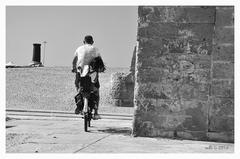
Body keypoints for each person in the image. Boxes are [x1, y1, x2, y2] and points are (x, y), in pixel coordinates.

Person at [72, 35, 104, 120]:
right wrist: (100, 69)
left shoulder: (79, 48)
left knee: (78, 87)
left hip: (80, 72)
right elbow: (100, 62)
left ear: (83, 41)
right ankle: (96, 113)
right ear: (92, 42)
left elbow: (74, 60)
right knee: (96, 91)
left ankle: (79, 103)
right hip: (92, 73)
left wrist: (74, 68)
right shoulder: (95, 49)